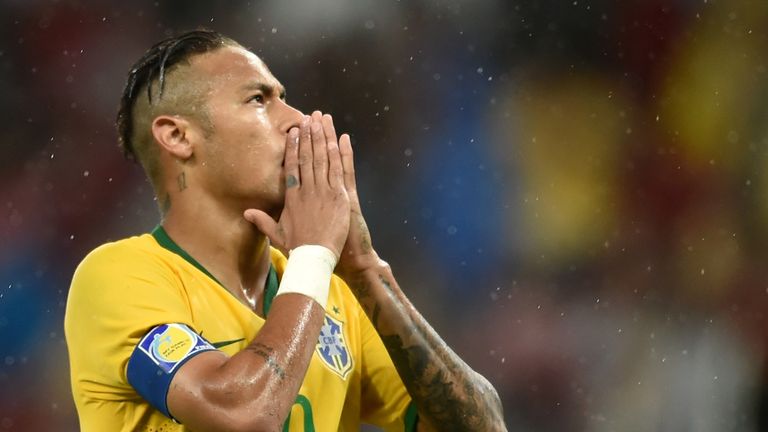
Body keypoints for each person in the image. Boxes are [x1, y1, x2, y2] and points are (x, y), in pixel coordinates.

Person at [64, 29, 506, 432]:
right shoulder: (118, 277)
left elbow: (481, 427)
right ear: (178, 137)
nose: (297, 119)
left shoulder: (331, 293)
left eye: (284, 97)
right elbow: (244, 417)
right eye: (259, 99)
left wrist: (365, 268)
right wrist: (314, 253)